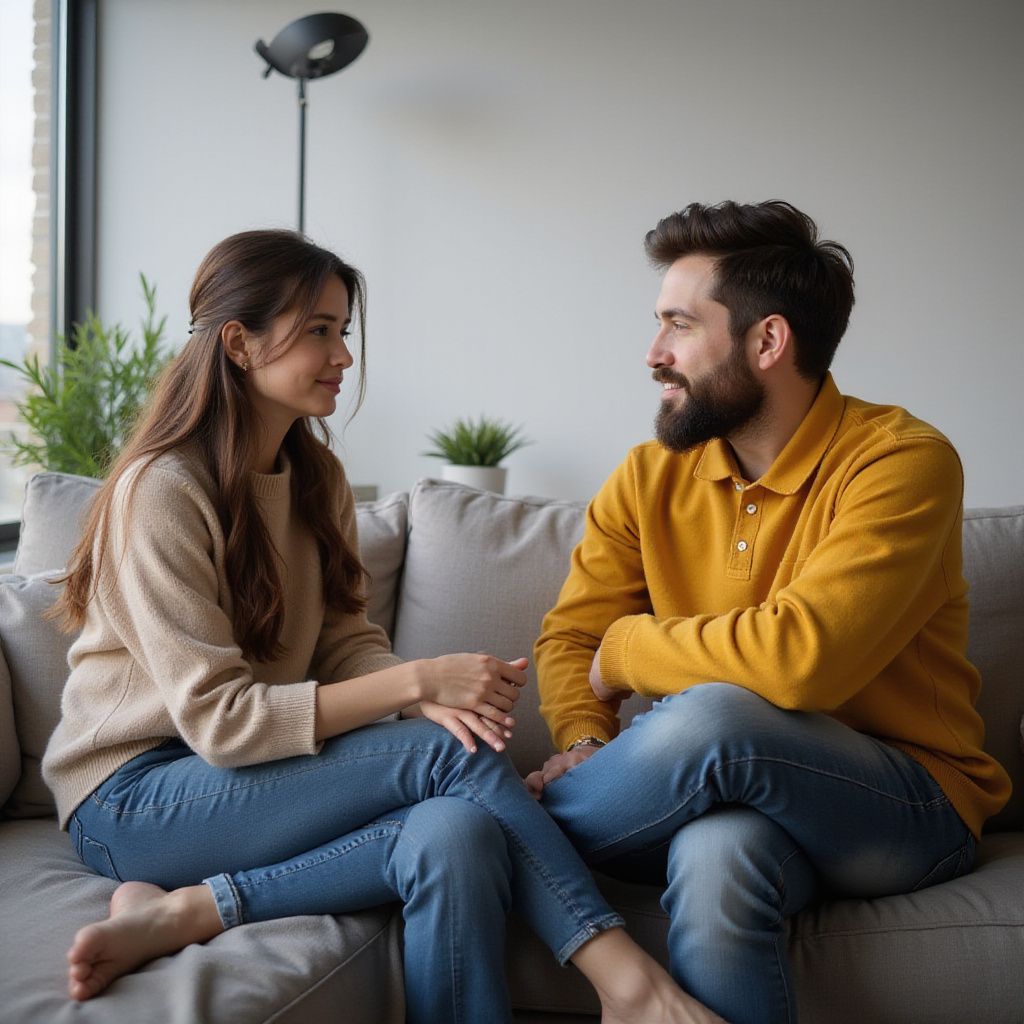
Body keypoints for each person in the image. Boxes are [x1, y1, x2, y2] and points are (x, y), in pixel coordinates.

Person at [41, 229, 723, 1024]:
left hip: (241, 786)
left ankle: (197, 908)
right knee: (447, 757)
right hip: (133, 796)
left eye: (344, 331)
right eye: (319, 331)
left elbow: (342, 641)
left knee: (455, 831)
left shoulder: (315, 476)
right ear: (238, 343)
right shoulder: (163, 490)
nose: (344, 356)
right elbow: (220, 723)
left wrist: (415, 699)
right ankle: (629, 985)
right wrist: (418, 687)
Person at [526, 201, 1012, 1024]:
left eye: (679, 325)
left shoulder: (900, 462)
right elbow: (574, 636)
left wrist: (630, 652)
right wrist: (582, 738)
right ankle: (472, 830)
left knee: (714, 716)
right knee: (713, 857)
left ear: (767, 341)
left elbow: (801, 659)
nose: (653, 355)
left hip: (908, 800)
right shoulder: (648, 477)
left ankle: (488, 831)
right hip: (732, 805)